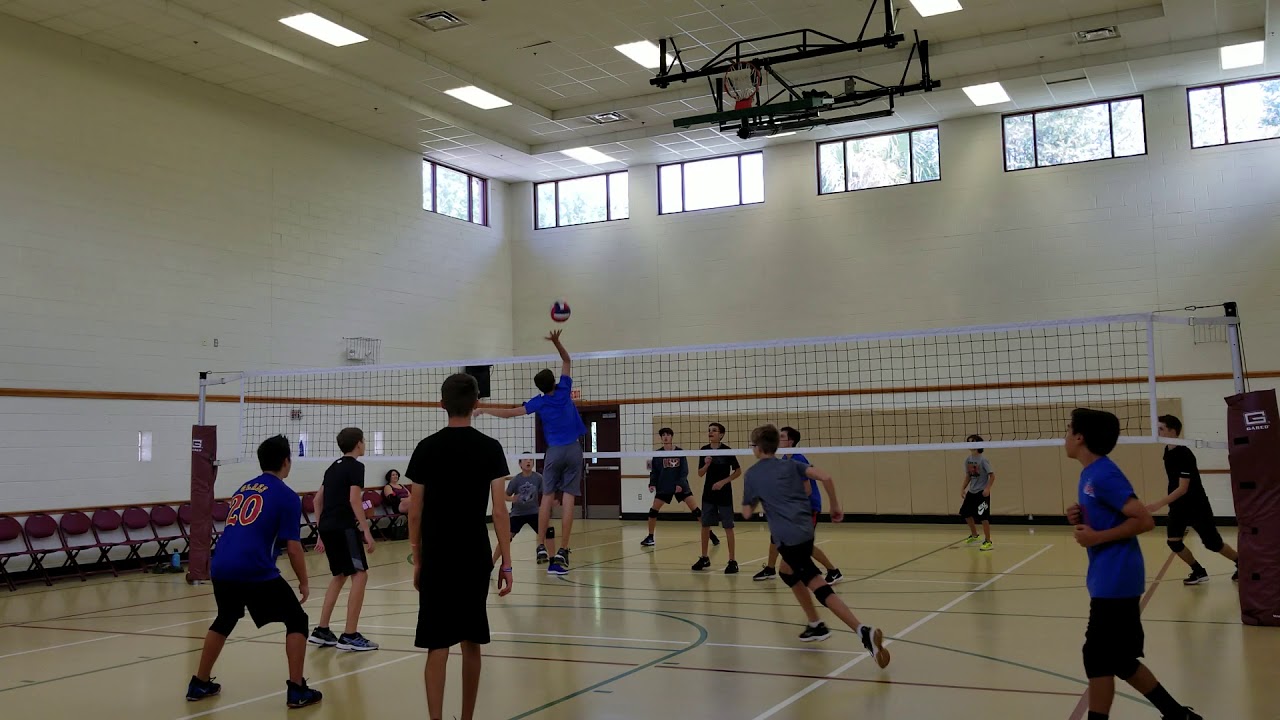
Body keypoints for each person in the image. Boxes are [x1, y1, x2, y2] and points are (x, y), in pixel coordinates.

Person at [1064, 409, 1202, 720]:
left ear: (1080, 437)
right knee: (1121, 660)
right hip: (1108, 576)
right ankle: (1179, 715)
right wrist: (1080, 514)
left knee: (1097, 656)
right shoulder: (1089, 474)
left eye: (1068, 430)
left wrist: (1096, 537)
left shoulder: (1103, 474)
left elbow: (1144, 520)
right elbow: (1109, 511)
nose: (1065, 436)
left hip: (1117, 577)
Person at [406, 373, 514, 720]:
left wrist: (418, 560)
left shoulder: (426, 448)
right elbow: (499, 511)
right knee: (471, 641)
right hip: (474, 556)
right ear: (477, 404)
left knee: (437, 645)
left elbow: (415, 512)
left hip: (438, 554)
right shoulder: (490, 449)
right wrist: (507, 564)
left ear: (442, 405)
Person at [185, 435, 323, 708]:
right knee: (297, 620)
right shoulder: (287, 496)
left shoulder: (244, 488)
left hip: (221, 564)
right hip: (253, 568)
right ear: (287, 461)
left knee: (225, 618)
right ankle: (297, 689)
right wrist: (305, 583)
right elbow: (293, 548)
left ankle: (199, 683)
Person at [741, 424, 889, 665]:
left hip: (787, 538)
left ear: (757, 448)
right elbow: (826, 477)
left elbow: (747, 512)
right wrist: (835, 506)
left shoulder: (753, 475)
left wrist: (754, 503)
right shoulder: (791, 464)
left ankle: (862, 631)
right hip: (805, 531)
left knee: (816, 584)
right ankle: (815, 623)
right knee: (787, 572)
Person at [477, 329, 585, 575]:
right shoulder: (564, 389)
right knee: (568, 498)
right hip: (574, 450)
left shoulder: (538, 402)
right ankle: (563, 549)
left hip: (554, 451)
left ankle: (540, 546)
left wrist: (484, 409)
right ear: (554, 382)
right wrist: (557, 342)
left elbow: (510, 413)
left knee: (547, 497)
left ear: (539, 386)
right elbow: (567, 361)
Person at [308, 427, 378, 652]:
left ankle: (322, 630)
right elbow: (354, 500)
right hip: (343, 527)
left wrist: (321, 530)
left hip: (328, 526)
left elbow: (317, 501)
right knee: (360, 574)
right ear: (358, 443)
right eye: (364, 441)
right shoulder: (356, 466)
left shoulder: (332, 467)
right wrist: (366, 531)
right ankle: (349, 635)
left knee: (339, 575)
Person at [1149, 414, 1239, 584]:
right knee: (1173, 542)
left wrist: (1158, 504)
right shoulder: (1168, 450)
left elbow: (1183, 488)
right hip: (1178, 507)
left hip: (1196, 505)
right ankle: (1198, 571)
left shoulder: (1184, 454)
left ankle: (1241, 563)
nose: (1157, 431)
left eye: (1161, 428)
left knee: (1213, 544)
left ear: (1173, 431)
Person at [754, 427, 842, 583]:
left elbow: (806, 490)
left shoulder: (798, 459)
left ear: (791, 441)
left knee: (802, 545)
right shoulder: (783, 460)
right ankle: (769, 568)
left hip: (806, 507)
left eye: (781, 436)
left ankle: (833, 571)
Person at [641, 428, 704, 548]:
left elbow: (684, 470)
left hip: (681, 486)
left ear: (671, 437)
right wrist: (652, 483)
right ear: (661, 438)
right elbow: (654, 472)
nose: (665, 437)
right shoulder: (658, 454)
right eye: (663, 435)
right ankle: (650, 537)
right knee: (653, 511)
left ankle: (710, 533)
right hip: (664, 486)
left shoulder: (679, 452)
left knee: (696, 511)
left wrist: (680, 484)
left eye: (668, 435)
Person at [494, 457, 556, 565]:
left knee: (549, 531)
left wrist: (552, 501)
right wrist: (512, 499)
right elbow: (505, 495)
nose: (528, 462)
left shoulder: (538, 478)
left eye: (531, 460)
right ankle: (492, 563)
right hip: (517, 514)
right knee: (506, 537)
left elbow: (545, 493)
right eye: (525, 460)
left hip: (534, 512)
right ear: (520, 464)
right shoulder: (516, 480)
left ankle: (552, 562)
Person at [693, 422, 737, 573]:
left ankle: (732, 561)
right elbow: (700, 473)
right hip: (708, 494)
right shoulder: (704, 450)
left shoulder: (727, 450)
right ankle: (704, 558)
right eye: (709, 430)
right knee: (705, 526)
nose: (711, 432)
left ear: (721, 434)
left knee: (728, 527)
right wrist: (706, 465)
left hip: (724, 494)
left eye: (714, 430)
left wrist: (723, 482)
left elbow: (737, 471)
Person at [960, 434, 995, 551]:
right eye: (969, 442)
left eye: (973, 442)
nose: (971, 444)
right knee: (965, 513)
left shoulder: (983, 460)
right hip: (972, 492)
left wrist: (987, 489)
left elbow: (992, 476)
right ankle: (974, 535)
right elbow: (968, 476)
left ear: (979, 444)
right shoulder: (968, 460)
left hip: (982, 492)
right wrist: (962, 488)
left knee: (983, 517)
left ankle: (988, 541)